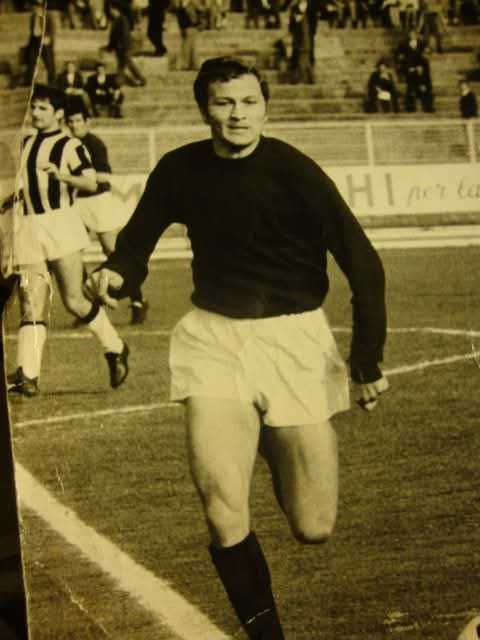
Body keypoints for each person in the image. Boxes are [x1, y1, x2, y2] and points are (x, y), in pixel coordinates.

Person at [86, 56, 388, 638]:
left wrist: (367, 359)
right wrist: (115, 274)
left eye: (249, 102)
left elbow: (364, 265)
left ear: (265, 107)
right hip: (213, 341)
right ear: (205, 110)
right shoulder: (179, 169)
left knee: (314, 525)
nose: (238, 114)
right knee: (222, 508)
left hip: (293, 342)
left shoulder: (295, 172)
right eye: (224, 103)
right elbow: (134, 244)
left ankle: (270, 438)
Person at [1, 85, 129, 397]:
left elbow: (91, 181)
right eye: (34, 107)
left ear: (58, 113)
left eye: (42, 108)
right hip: (29, 227)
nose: (35, 113)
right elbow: (25, 183)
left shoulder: (71, 145)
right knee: (31, 301)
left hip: (61, 224)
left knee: (74, 300)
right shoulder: (27, 142)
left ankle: (115, 348)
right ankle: (28, 375)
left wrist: (62, 176)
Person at [66, 100, 149, 323]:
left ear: (87, 122)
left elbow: (104, 175)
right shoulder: (66, 145)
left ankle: (138, 301)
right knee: (72, 256)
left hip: (98, 201)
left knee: (113, 253)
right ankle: (87, 307)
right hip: (76, 204)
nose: (74, 125)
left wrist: (77, 178)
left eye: (78, 121)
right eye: (70, 122)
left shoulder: (94, 144)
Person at [101, 1, 146, 86]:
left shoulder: (122, 20)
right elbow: (113, 38)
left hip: (124, 47)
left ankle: (141, 79)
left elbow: (125, 36)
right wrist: (110, 47)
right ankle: (119, 81)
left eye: (112, 9)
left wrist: (121, 47)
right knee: (121, 65)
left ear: (116, 10)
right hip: (120, 47)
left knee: (128, 63)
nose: (110, 11)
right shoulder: (117, 20)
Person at [24, 0, 56, 86]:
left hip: (44, 40)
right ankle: (30, 81)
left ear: (40, 7)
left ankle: (52, 81)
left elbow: (52, 29)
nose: (34, 9)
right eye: (33, 8)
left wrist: (48, 38)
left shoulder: (48, 15)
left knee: (49, 62)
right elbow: (32, 30)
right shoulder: (32, 16)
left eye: (36, 7)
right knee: (31, 61)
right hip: (34, 40)